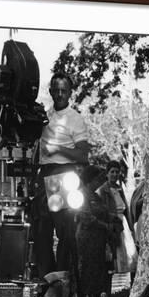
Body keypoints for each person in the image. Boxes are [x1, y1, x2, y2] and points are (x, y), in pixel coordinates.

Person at [32, 72, 90, 278]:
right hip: (44, 173)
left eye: (64, 90)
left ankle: (63, 278)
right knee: (41, 231)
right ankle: (46, 277)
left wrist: (58, 149)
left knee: (64, 232)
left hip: (64, 174)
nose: (59, 94)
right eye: (55, 90)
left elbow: (83, 154)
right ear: (50, 91)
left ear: (70, 93)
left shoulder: (75, 119)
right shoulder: (44, 116)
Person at [75, 165, 110, 297]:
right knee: (87, 269)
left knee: (98, 270)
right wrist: (105, 226)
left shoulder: (96, 196)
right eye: (98, 179)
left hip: (99, 240)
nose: (100, 182)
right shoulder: (82, 195)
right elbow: (86, 217)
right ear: (90, 180)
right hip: (87, 239)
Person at [97, 160, 137, 276]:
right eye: (112, 172)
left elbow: (126, 208)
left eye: (117, 172)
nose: (115, 174)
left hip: (122, 222)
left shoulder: (120, 188)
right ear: (107, 173)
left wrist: (130, 226)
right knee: (113, 254)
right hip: (112, 224)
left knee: (128, 253)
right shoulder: (102, 190)